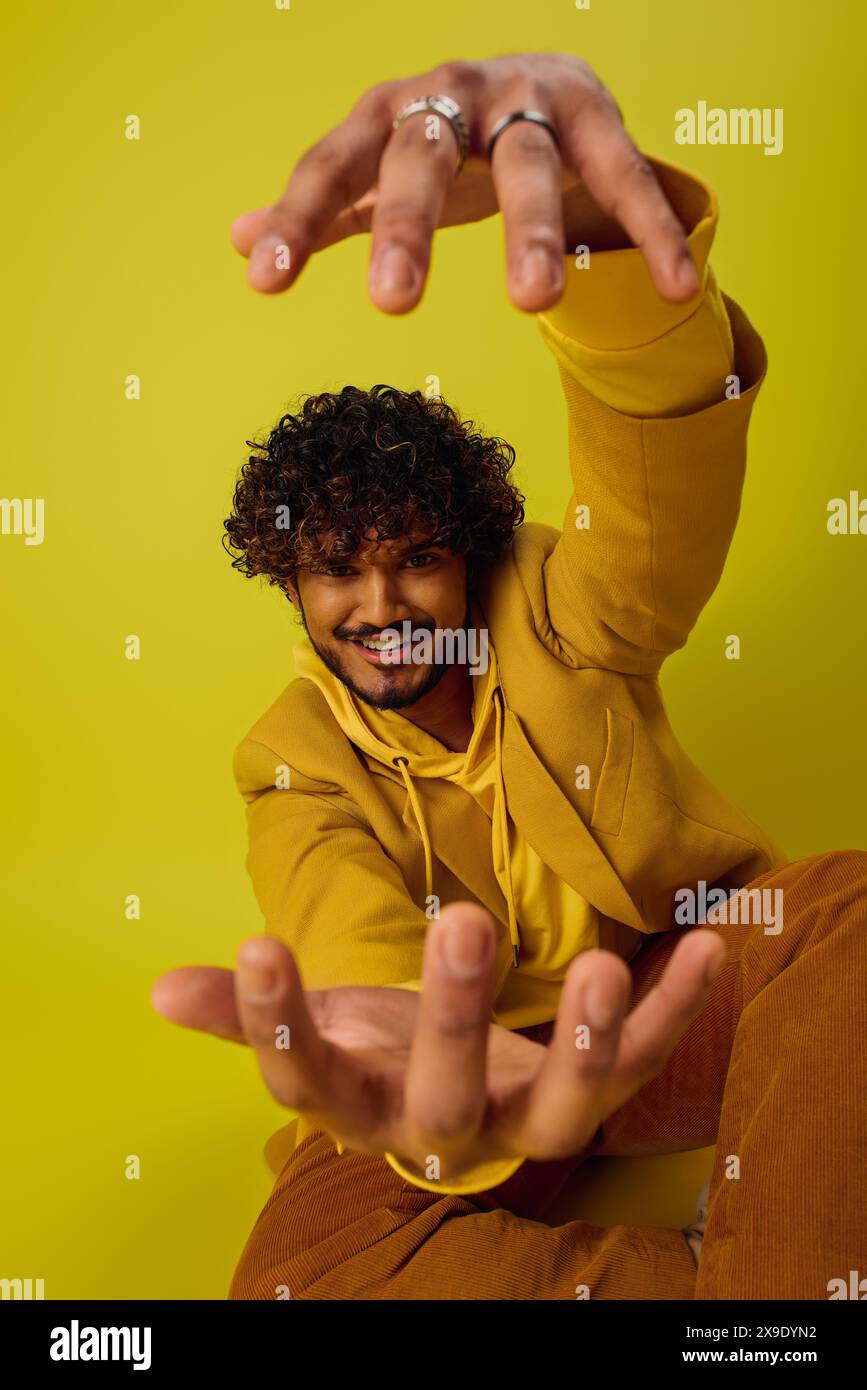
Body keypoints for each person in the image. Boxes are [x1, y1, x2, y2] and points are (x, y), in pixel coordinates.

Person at [151, 52, 867, 1300]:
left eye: (418, 560)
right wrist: (424, 1045)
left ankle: (784, 1298)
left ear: (468, 559)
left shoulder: (555, 606)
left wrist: (597, 242)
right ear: (291, 586)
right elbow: (335, 922)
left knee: (847, 909)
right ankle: (753, 1286)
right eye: (336, 573)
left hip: (666, 1002)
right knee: (294, 1282)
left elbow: (654, 493)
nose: (380, 608)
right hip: (452, 1083)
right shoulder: (287, 756)